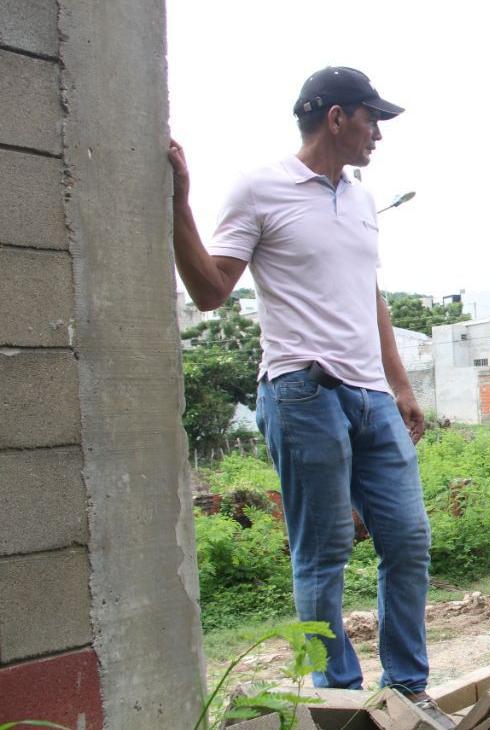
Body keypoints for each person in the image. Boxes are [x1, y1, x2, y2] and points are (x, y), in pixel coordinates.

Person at [169, 67, 449, 720]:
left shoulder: (358, 199)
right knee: (322, 551)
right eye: (370, 118)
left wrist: (401, 384)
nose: (377, 133)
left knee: (407, 538)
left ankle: (407, 690)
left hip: (371, 397)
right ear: (336, 118)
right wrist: (179, 206)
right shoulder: (259, 189)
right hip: (302, 393)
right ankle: (342, 702)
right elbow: (212, 291)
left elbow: (369, 293)